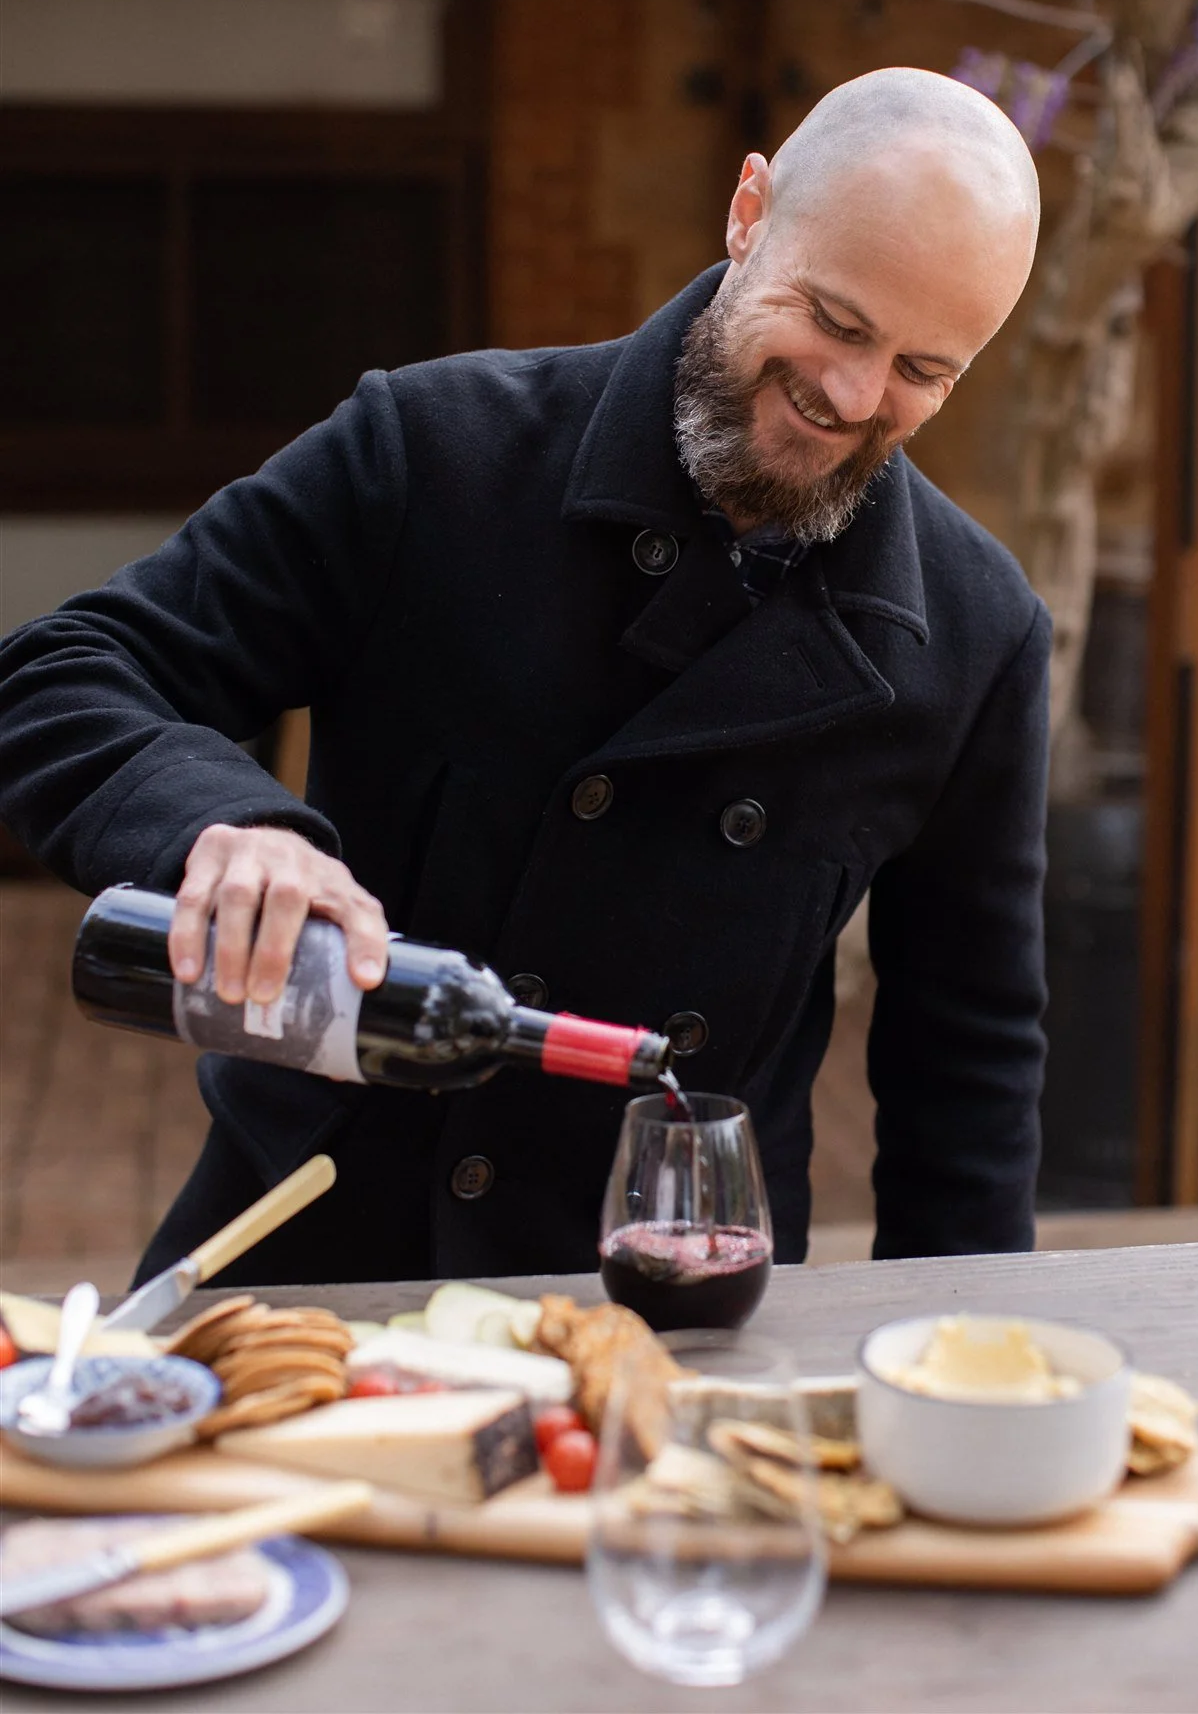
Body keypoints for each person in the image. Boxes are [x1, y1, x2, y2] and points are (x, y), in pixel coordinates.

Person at [0, 66, 1049, 1287]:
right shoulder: (431, 453)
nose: (856, 396)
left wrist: (962, 1388)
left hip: (678, 1304)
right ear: (748, 212)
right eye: (838, 320)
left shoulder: (978, 634)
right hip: (317, 1263)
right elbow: (60, 670)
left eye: (927, 371)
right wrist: (228, 822)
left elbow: (967, 1074)